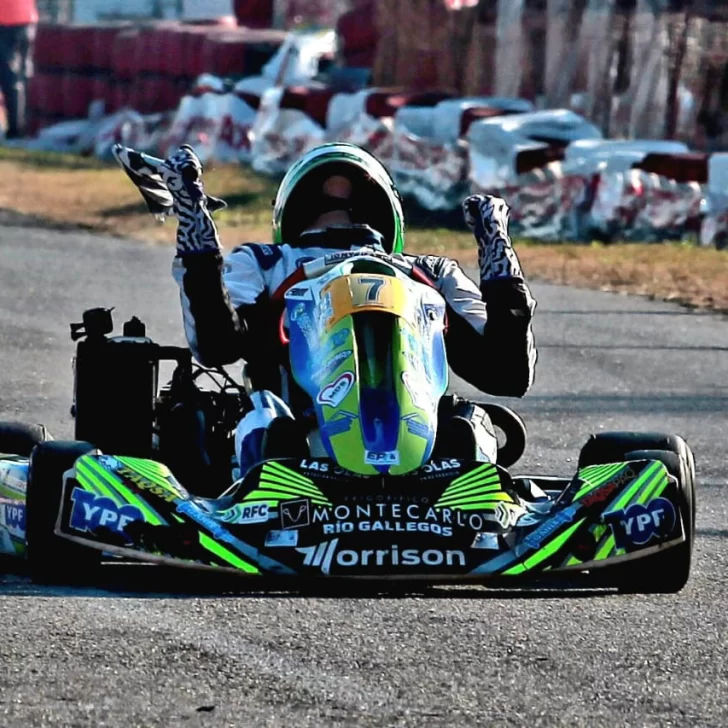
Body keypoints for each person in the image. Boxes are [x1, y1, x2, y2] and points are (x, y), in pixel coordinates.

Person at [114, 142, 537, 474]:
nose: (340, 217)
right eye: (327, 207)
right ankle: (294, 457)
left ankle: (431, 460)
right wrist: (196, 223)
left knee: (467, 425)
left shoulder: (425, 273)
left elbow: (508, 370)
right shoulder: (266, 262)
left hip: (430, 449)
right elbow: (216, 342)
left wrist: (497, 257)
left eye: (353, 208)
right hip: (291, 444)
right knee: (266, 426)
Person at [0, 0, 38, 139]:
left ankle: (16, 130)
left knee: (10, 78)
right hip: (27, 19)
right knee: (22, 76)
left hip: (6, 20)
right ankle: (21, 128)